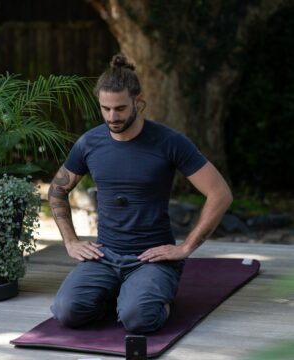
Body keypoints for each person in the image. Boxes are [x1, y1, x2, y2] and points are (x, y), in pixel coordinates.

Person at [48, 54, 233, 334]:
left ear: (138, 100)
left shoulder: (169, 142)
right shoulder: (89, 142)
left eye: (120, 108)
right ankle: (122, 294)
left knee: (139, 319)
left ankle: (149, 299)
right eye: (105, 109)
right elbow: (57, 190)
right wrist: (71, 242)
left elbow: (220, 194)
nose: (113, 117)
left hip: (152, 257)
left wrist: (185, 248)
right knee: (67, 311)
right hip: (105, 255)